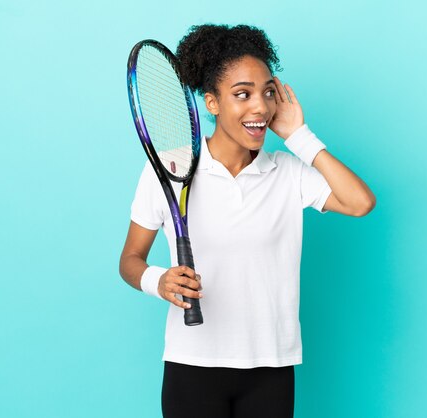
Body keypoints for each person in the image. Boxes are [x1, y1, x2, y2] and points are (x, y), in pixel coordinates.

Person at [119, 23, 376, 418]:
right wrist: (159, 280)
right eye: (243, 94)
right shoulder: (167, 167)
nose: (260, 106)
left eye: (268, 93)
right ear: (212, 103)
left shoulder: (288, 173)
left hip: (270, 367)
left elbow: (360, 203)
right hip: (192, 365)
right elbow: (130, 260)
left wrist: (299, 136)